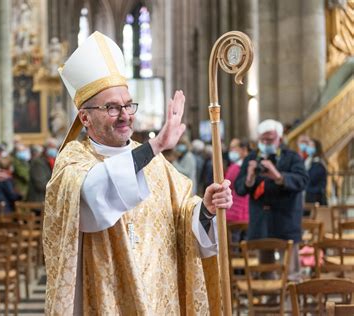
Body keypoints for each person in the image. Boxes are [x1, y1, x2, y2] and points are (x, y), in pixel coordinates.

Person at [43, 31, 233, 315]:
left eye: (128, 105)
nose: (125, 115)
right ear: (85, 117)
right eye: (111, 107)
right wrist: (155, 145)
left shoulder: (156, 164)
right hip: (105, 299)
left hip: (159, 295)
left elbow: (183, 216)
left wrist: (205, 209)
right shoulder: (72, 160)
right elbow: (93, 196)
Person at [235, 119, 309, 281]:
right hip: (261, 221)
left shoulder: (292, 157)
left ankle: (290, 305)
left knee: (291, 273)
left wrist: (279, 176)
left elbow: (303, 181)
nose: (265, 143)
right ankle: (270, 303)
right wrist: (249, 178)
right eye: (262, 140)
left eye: (269, 140)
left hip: (286, 219)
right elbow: (239, 188)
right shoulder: (252, 158)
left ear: (280, 140)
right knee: (265, 271)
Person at [225, 138, 250, 223]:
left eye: (234, 148)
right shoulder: (249, 163)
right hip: (240, 210)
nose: (231, 151)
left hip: (238, 211)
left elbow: (227, 184)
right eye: (230, 148)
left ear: (244, 149)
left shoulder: (237, 167)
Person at [27, 138, 57, 203]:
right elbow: (41, 185)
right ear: (46, 148)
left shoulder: (53, 161)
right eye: (51, 147)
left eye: (55, 147)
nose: (54, 149)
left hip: (48, 198)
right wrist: (58, 187)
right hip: (39, 200)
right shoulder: (38, 162)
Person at [304, 138, 328, 205]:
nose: (308, 148)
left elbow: (311, 179)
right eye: (308, 145)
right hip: (308, 197)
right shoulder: (308, 161)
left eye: (311, 146)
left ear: (316, 148)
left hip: (316, 198)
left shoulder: (319, 164)